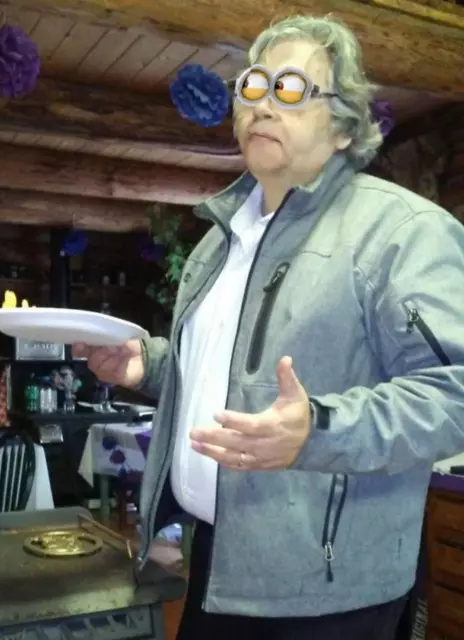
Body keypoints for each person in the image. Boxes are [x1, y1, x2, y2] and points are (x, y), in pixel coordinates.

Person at [73, 15, 464, 640]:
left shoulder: (401, 231)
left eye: (290, 89)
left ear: (343, 128)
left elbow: (454, 392)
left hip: (330, 591)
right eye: (253, 85)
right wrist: (150, 364)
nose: (262, 103)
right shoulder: (219, 241)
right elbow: (228, 373)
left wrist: (319, 429)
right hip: (220, 561)